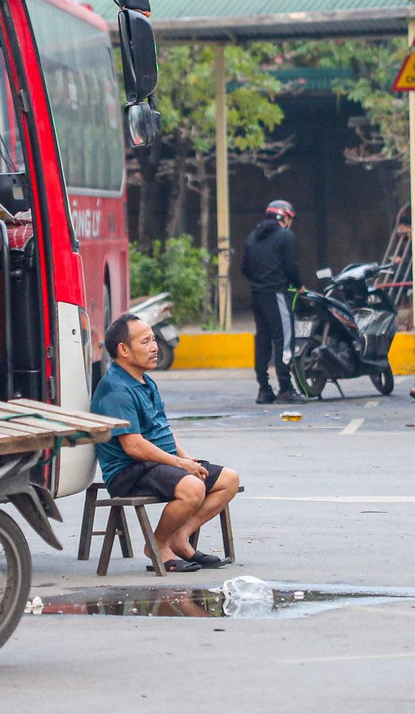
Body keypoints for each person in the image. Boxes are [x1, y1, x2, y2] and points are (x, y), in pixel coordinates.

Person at [91, 313, 240, 573]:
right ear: (123, 350)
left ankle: (180, 537)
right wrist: (178, 462)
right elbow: (133, 447)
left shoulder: (145, 381)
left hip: (160, 464)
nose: (154, 347)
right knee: (193, 488)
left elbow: (162, 427)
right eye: (145, 341)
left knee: (228, 479)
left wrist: (185, 457)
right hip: (130, 471)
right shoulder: (116, 390)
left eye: (153, 340)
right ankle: (157, 545)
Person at [241, 199, 305, 404]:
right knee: (284, 340)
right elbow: (290, 266)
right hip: (277, 293)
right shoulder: (285, 236)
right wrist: (298, 285)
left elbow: (244, 267)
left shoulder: (253, 237)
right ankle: (285, 388)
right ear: (284, 217)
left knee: (262, 341)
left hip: (257, 295)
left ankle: (264, 388)